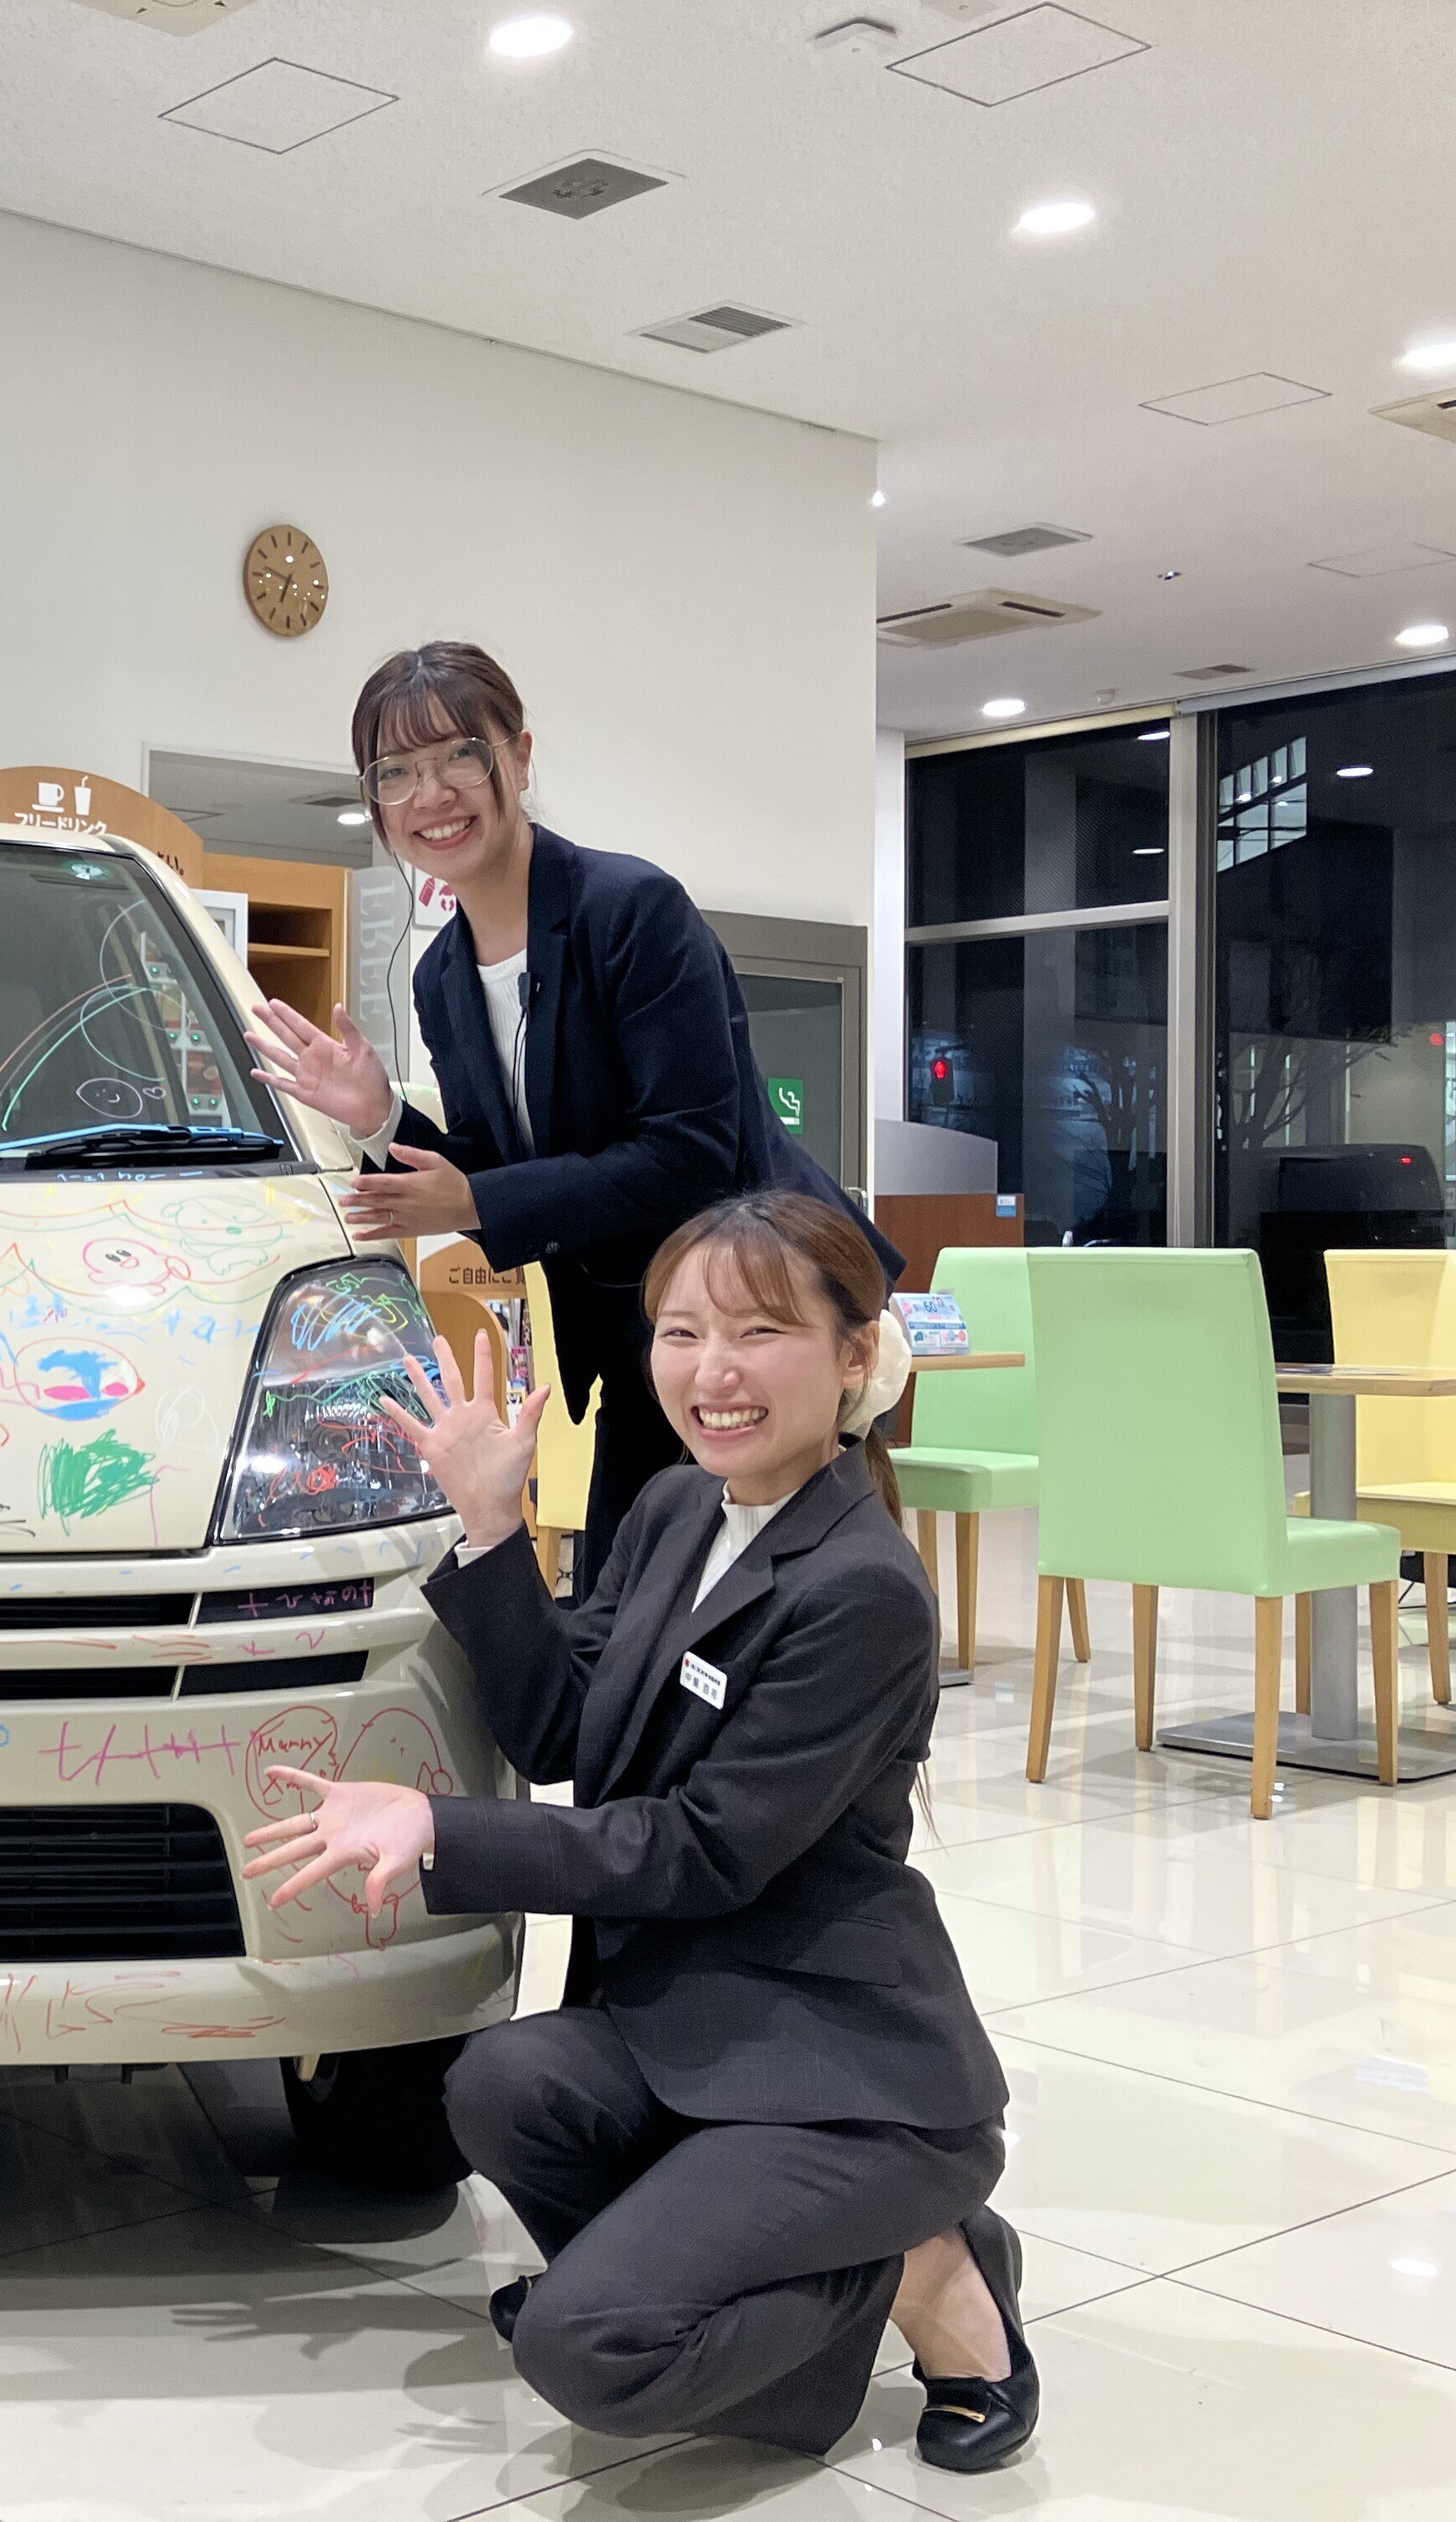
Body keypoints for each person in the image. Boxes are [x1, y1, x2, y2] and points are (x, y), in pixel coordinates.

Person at [242, 1191, 1033, 2473]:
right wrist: (493, 1527)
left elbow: (701, 1850)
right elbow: (566, 1728)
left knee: (591, 2351)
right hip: (685, 2016)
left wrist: (439, 1825)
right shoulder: (676, 1507)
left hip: (835, 2068)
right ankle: (802, 2271)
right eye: (680, 1332)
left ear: (852, 1356)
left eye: (760, 1332)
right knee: (499, 2088)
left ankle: (917, 2264)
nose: (712, 1371)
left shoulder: (862, 1587)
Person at [246, 641, 901, 1593]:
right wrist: (383, 1115)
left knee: (773, 1614)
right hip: (625, 1344)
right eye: (397, 772)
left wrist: (476, 1200)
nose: (432, 794)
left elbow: (691, 1154)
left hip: (751, 1320)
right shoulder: (442, 977)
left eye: (459, 755)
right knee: (624, 1617)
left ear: (517, 758)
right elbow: (498, 1177)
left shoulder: (630, 912)